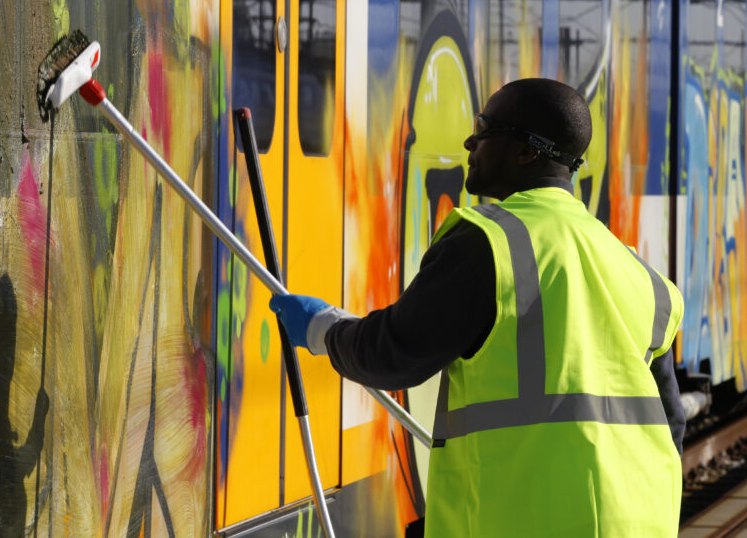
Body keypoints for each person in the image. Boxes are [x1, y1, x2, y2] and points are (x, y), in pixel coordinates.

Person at [270, 78, 685, 537]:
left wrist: (321, 328)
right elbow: (670, 422)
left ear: (526, 152)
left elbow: (392, 353)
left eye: (485, 128)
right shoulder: (643, 277)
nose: (470, 142)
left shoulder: (489, 243)